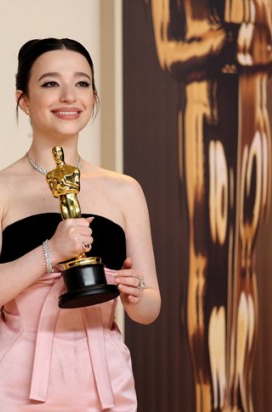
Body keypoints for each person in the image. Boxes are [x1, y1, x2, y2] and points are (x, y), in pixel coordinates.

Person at [0, 38, 161, 411]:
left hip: (105, 380)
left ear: (93, 97)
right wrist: (51, 252)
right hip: (18, 382)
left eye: (82, 83)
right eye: (51, 83)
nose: (69, 96)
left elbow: (149, 306)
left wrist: (136, 295)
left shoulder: (125, 190)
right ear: (24, 100)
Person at [149, 1, 272, 410]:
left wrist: (254, 39)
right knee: (210, 260)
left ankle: (241, 396)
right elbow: (170, 52)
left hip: (255, 109)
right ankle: (213, 398)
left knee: (245, 262)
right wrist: (230, 39)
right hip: (205, 107)